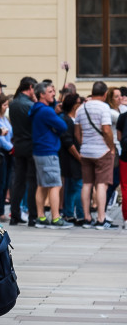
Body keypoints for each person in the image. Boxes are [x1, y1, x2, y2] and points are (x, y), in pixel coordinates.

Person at [76, 81, 117, 229]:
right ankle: (101, 219)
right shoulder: (104, 107)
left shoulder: (81, 108)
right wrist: (111, 147)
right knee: (101, 184)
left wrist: (84, 144)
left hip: (86, 151)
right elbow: (106, 130)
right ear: (105, 94)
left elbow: (77, 132)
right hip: (102, 151)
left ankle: (87, 218)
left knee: (87, 184)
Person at [29, 80, 68, 226]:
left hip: (39, 151)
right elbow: (63, 126)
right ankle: (56, 217)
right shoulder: (46, 111)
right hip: (48, 150)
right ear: (42, 94)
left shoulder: (36, 109)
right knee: (55, 185)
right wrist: (56, 114)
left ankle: (41, 217)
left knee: (42, 185)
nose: (54, 95)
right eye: (51, 92)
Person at [7, 77, 39, 228]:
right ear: (31, 87)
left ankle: (14, 215)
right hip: (31, 144)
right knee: (32, 181)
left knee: (18, 181)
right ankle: (32, 216)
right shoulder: (30, 105)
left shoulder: (13, 103)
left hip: (18, 144)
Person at [59, 93, 85, 225]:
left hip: (69, 159)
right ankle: (80, 214)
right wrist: (80, 157)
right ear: (75, 105)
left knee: (71, 186)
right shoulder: (66, 120)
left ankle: (69, 213)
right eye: (80, 102)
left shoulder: (71, 119)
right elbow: (68, 142)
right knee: (78, 186)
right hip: (71, 159)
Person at [0, 92, 13, 222]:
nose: (6, 107)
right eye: (5, 105)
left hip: (10, 151)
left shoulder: (5, 119)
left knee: (6, 181)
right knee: (0, 182)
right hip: (3, 151)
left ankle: (2, 211)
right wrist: (10, 147)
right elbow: (0, 138)